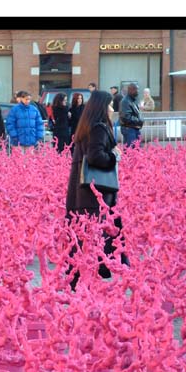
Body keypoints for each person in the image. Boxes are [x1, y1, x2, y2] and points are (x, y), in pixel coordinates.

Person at [65, 90, 127, 289]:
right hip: (96, 194)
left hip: (82, 192)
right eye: (109, 105)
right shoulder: (99, 127)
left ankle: (74, 278)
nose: (112, 109)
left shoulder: (86, 126)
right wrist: (114, 156)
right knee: (98, 236)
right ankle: (98, 274)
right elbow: (95, 157)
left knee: (82, 236)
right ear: (102, 107)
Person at [119, 83, 144, 148]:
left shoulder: (133, 100)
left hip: (134, 128)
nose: (137, 91)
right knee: (130, 150)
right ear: (130, 90)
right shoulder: (125, 101)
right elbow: (126, 117)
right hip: (129, 129)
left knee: (137, 149)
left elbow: (136, 114)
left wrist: (139, 120)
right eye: (135, 89)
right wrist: (139, 120)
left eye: (138, 89)